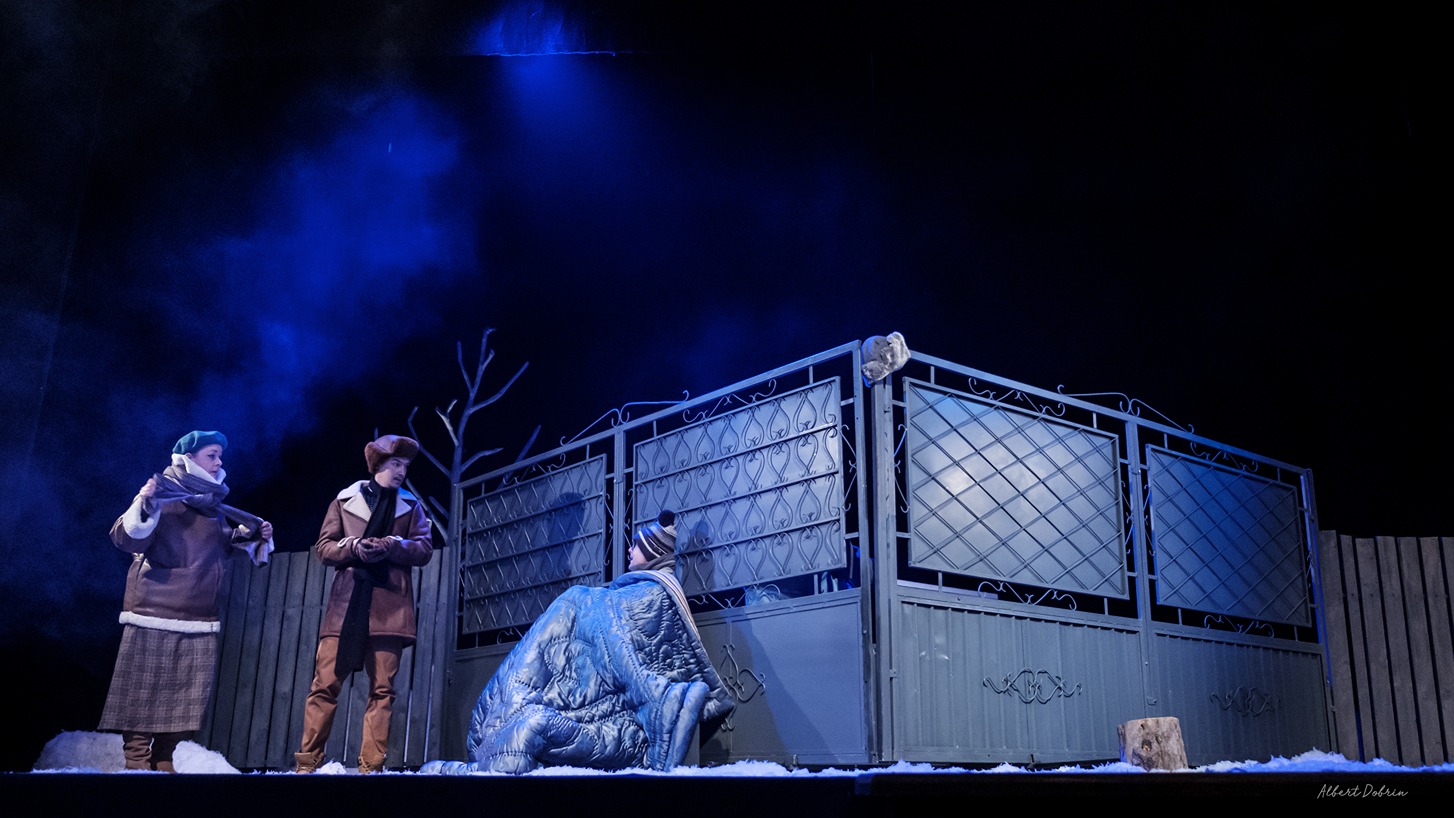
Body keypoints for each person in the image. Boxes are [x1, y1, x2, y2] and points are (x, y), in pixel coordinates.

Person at [99, 430, 275, 772]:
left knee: (183, 694)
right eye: (212, 455)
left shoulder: (210, 506)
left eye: (219, 455)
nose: (219, 462)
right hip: (155, 609)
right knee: (141, 690)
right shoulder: (163, 493)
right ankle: (137, 758)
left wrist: (250, 535)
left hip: (198, 613)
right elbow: (126, 537)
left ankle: (164, 756)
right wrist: (145, 504)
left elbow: (216, 544)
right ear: (190, 458)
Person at [295, 434, 433, 774]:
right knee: (324, 685)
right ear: (378, 465)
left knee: (382, 690)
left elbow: (424, 549)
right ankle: (307, 764)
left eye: (405, 466)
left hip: (390, 608)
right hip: (346, 607)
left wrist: (392, 545)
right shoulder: (344, 502)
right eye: (395, 464)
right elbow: (324, 548)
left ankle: (371, 767)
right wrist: (353, 547)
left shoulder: (411, 507)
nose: (401, 471)